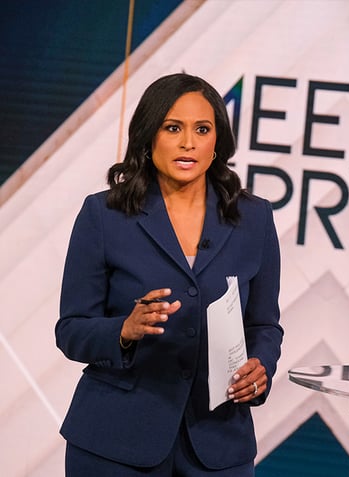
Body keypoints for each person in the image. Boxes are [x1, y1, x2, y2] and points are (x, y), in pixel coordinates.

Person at [55, 73, 283, 476]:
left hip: (218, 447)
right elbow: (71, 330)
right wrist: (124, 330)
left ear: (218, 142)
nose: (188, 143)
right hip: (115, 444)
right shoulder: (104, 215)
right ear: (148, 136)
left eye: (202, 129)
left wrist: (260, 364)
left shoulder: (255, 219)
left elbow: (264, 324)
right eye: (172, 128)